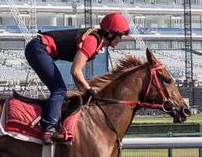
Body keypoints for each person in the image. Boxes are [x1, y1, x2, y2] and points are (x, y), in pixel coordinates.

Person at [24, 13, 130, 144]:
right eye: (120, 36)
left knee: (60, 90)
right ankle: (48, 129)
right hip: (39, 48)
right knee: (59, 90)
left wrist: (85, 92)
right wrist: (90, 90)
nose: (121, 39)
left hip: (39, 49)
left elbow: (76, 75)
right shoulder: (92, 41)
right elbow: (75, 71)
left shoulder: (96, 41)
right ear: (111, 34)